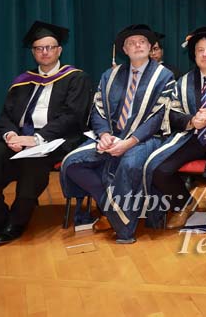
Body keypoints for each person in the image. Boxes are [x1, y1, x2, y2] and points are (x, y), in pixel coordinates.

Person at [0, 21, 92, 246]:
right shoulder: (23, 81)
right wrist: (10, 136)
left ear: (59, 50)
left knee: (34, 162)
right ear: (33, 52)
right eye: (39, 48)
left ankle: (17, 221)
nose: (45, 52)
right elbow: (6, 115)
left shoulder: (76, 78)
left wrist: (36, 139)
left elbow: (72, 116)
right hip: (18, 137)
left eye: (49, 47)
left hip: (54, 140)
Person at [60, 24, 174, 244]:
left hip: (145, 138)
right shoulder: (110, 75)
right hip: (112, 136)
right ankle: (111, 206)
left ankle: (124, 229)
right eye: (132, 43)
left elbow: (158, 117)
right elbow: (98, 108)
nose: (137, 45)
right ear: (124, 49)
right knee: (72, 163)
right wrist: (104, 135)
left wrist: (129, 142)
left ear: (150, 47)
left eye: (142, 42)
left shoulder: (164, 76)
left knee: (129, 164)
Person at [143, 26, 206, 229]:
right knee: (158, 169)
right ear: (194, 54)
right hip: (193, 136)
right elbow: (172, 112)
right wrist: (191, 120)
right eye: (200, 50)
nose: (205, 54)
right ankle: (184, 204)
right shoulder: (183, 81)